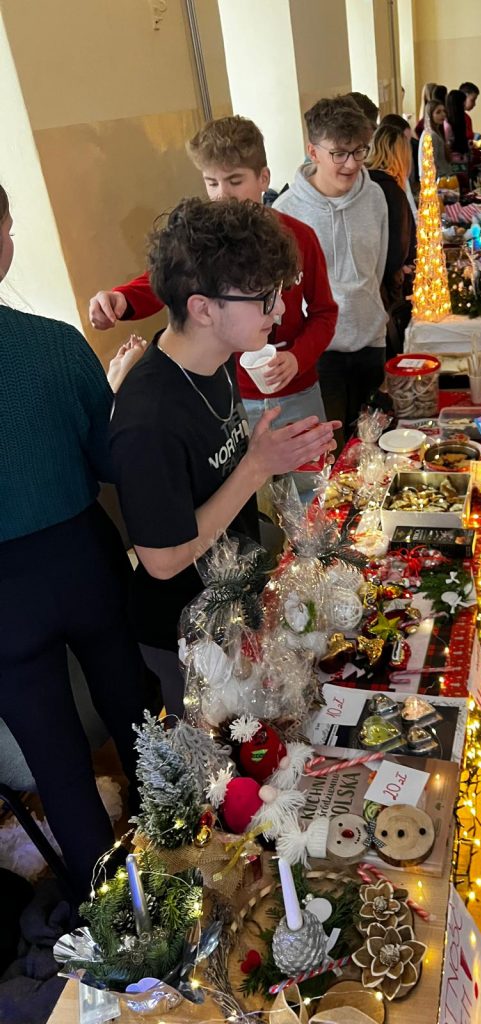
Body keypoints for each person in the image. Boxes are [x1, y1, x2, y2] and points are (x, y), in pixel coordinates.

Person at [109, 198, 339, 716]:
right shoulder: (148, 417)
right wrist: (257, 466)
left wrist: (268, 457)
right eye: (264, 298)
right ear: (203, 308)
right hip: (189, 638)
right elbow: (162, 561)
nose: (280, 311)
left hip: (236, 602)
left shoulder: (217, 362)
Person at [0, 183, 157, 900]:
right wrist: (113, 390)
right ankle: (182, 847)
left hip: (7, 602)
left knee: (58, 764)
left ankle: (117, 915)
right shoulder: (57, 345)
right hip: (82, 559)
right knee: (134, 711)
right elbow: (108, 460)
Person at [88, 116, 338, 431]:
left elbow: (324, 312)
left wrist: (298, 358)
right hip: (233, 392)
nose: (222, 195)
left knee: (311, 460)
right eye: (212, 183)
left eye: (235, 181)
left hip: (296, 388)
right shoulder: (208, 243)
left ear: (263, 178)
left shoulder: (299, 237)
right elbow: (170, 277)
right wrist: (122, 299)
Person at [273, 97, 388, 442]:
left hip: (371, 344)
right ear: (313, 151)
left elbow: (377, 267)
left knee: (374, 446)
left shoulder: (375, 197)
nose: (351, 164)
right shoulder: (286, 212)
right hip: (321, 354)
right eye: (339, 153)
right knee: (330, 452)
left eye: (359, 151)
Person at [366, 123, 416, 355]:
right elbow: (398, 250)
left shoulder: (363, 185)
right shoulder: (392, 192)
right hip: (387, 290)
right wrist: (404, 267)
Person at [418, 100, 454, 179]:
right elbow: (430, 164)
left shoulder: (435, 132)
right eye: (438, 112)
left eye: (444, 111)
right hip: (438, 180)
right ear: (430, 115)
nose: (443, 114)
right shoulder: (431, 135)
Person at [444, 89, 470, 170]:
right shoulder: (447, 126)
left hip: (461, 160)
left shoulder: (459, 121)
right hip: (454, 164)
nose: (464, 106)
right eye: (463, 104)